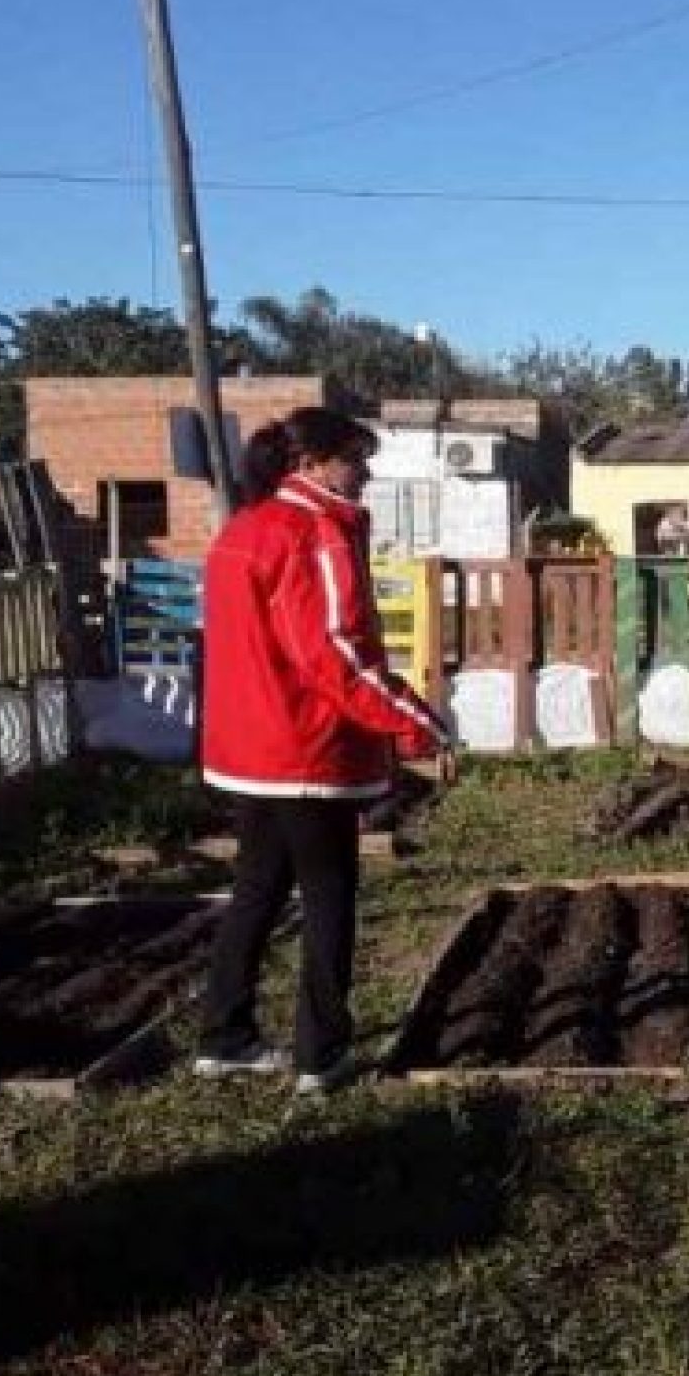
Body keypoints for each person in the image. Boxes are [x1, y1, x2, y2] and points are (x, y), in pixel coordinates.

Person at [194, 408, 450, 1094]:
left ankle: (226, 1036)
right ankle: (322, 1054)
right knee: (329, 896)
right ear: (310, 464)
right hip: (305, 750)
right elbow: (333, 652)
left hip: (246, 750)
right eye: (353, 458)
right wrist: (415, 721)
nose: (364, 473)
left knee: (256, 888)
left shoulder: (241, 531)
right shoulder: (316, 532)